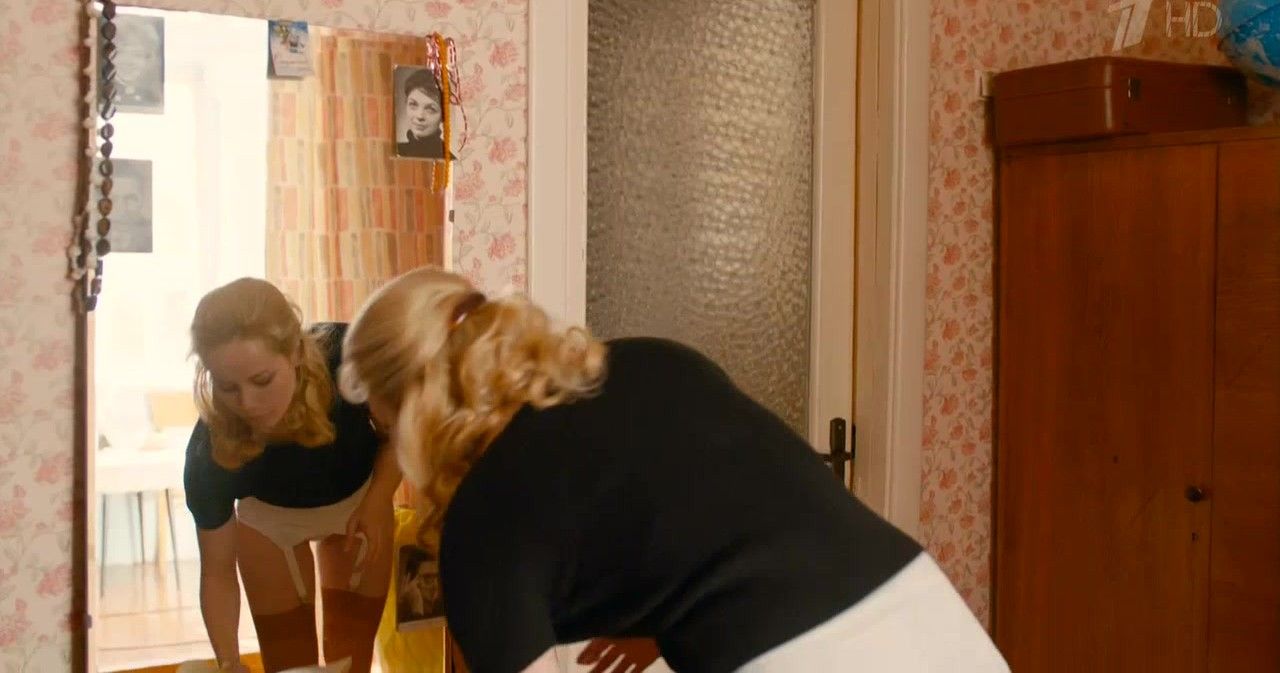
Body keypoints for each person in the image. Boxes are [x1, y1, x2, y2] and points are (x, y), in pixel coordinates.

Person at [337, 267, 1010, 673]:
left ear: (411, 407)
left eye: (382, 423)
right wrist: (663, 614)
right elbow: (747, 508)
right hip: (929, 613)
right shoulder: (649, 361)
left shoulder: (483, 521)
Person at [184, 278, 400, 673]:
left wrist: (379, 498)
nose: (247, 404)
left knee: (350, 657)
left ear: (297, 352)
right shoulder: (208, 450)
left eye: (262, 380)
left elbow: (402, 431)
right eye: (227, 387)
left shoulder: (351, 359)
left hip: (359, 503)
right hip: (267, 524)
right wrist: (228, 662)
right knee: (288, 664)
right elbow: (217, 570)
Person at [395, 69, 446, 160]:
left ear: (443, 116)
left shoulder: (449, 161)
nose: (420, 116)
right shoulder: (395, 151)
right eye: (413, 104)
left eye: (430, 109)